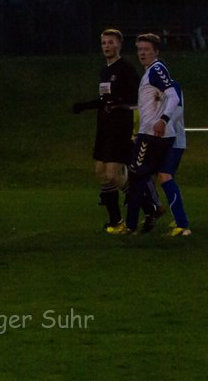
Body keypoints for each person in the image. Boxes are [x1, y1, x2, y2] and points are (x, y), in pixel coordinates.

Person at [109, 33, 180, 235]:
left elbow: (173, 96)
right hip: (156, 134)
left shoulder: (156, 70)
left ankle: (133, 223)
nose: (142, 53)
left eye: (146, 49)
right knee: (151, 178)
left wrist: (162, 120)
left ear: (156, 52)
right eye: (139, 49)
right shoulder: (154, 70)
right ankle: (156, 215)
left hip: (150, 135)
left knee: (136, 177)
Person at [71, 28, 139, 231]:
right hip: (104, 127)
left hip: (120, 126)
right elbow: (104, 100)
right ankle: (116, 221)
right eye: (103, 43)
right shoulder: (105, 71)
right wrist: (84, 106)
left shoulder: (126, 68)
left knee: (112, 174)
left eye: (110, 42)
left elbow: (136, 98)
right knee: (100, 172)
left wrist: (120, 102)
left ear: (119, 45)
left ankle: (142, 199)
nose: (107, 46)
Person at [155, 76, 192, 236]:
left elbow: (177, 111)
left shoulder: (172, 85)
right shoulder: (152, 87)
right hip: (163, 140)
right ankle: (177, 218)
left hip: (173, 140)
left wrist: (164, 127)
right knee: (162, 178)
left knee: (164, 176)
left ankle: (183, 224)